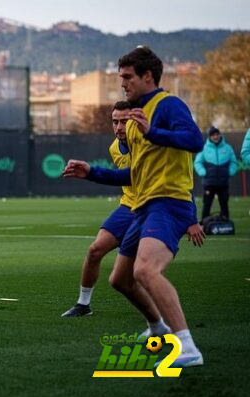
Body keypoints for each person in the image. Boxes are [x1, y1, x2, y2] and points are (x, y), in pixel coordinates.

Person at [64, 46, 206, 367]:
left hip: (169, 202)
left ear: (147, 76)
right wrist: (92, 173)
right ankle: (158, 327)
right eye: (120, 77)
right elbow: (133, 173)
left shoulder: (168, 105)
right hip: (141, 207)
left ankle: (187, 347)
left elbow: (195, 140)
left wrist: (152, 131)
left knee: (145, 270)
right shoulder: (132, 120)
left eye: (127, 77)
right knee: (120, 281)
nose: (122, 83)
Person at [62, 101, 136, 317]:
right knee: (95, 250)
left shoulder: (146, 144)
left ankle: (160, 321)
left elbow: (133, 174)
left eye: (125, 121)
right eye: (115, 122)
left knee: (142, 270)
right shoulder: (114, 147)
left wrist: (93, 172)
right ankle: (83, 305)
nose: (119, 127)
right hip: (128, 206)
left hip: (152, 207)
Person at [193, 126, 238, 221]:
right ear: (210, 137)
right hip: (209, 183)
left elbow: (234, 162)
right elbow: (197, 162)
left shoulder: (228, 148)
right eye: (213, 135)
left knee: (224, 203)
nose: (215, 136)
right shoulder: (204, 148)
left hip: (223, 182)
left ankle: (226, 223)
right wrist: (203, 172)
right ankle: (204, 223)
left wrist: (229, 172)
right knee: (207, 203)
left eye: (217, 134)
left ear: (220, 135)